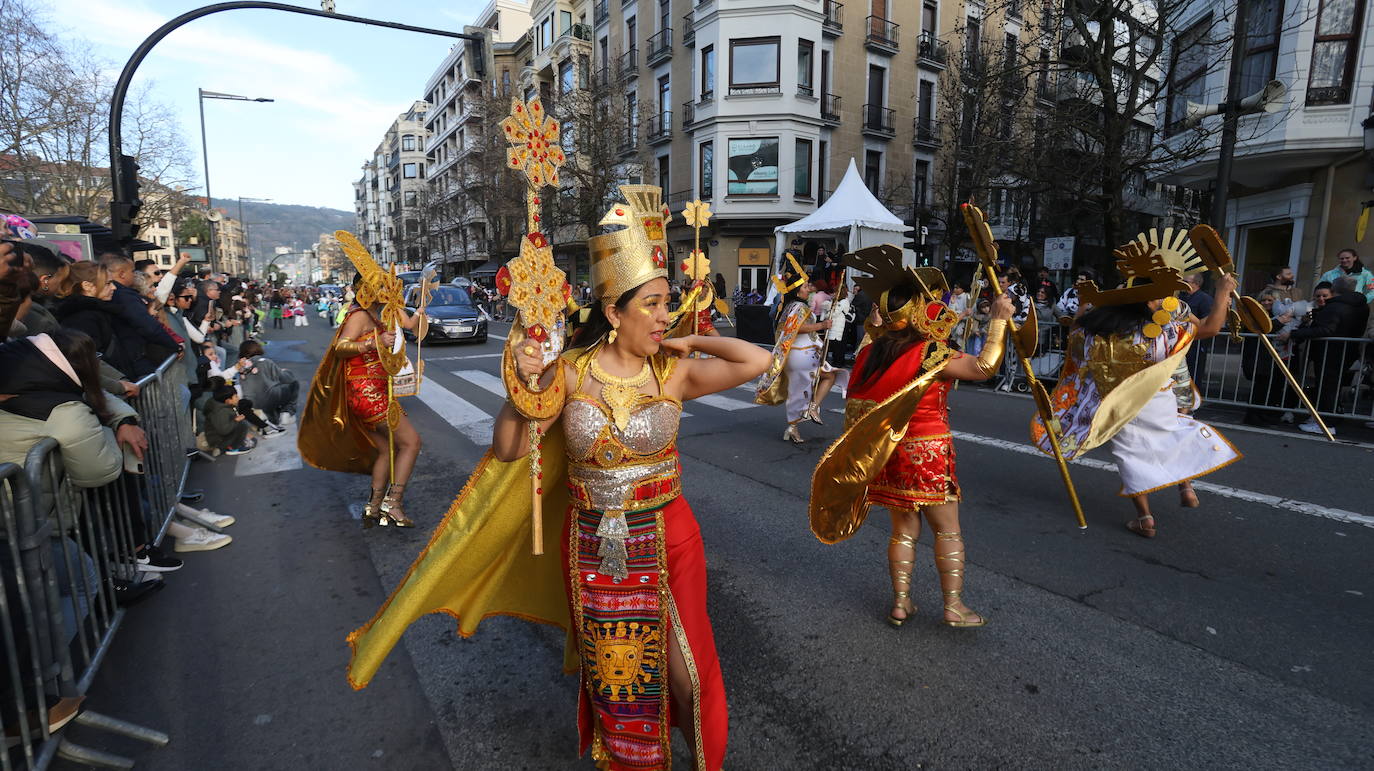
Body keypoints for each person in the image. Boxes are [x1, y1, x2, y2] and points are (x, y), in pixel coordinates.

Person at [345, 186, 770, 771]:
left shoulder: (673, 371)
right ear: (613, 312)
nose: (663, 315)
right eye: (651, 304)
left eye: (666, 302)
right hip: (593, 542)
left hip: (670, 535)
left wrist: (692, 338)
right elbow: (509, 448)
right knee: (616, 673)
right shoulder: (569, 372)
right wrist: (521, 387)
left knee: (687, 671)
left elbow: (756, 361)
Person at [810, 246, 1014, 632]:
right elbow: (984, 367)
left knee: (903, 530)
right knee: (947, 530)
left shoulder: (869, 354)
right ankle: (953, 606)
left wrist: (875, 324)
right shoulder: (930, 353)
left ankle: (901, 603)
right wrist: (999, 322)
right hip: (927, 452)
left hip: (886, 454)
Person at [1033, 239, 1241, 537]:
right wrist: (1222, 293)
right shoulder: (1164, 329)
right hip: (1158, 398)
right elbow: (1209, 329)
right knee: (1174, 433)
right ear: (1150, 299)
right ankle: (1185, 485)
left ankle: (1145, 518)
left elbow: (1075, 338)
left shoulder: (1095, 328)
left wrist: (1083, 305)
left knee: (1130, 455)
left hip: (1116, 403)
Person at [299, 270, 423, 528]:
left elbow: (410, 326)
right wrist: (374, 342)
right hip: (368, 394)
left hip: (373, 392)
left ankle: (373, 507)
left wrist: (415, 314)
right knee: (411, 443)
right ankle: (393, 503)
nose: (386, 291)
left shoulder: (375, 314)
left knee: (386, 450)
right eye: (381, 287)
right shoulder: (359, 316)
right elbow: (340, 347)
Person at [755, 255, 838, 443]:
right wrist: (822, 325)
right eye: (806, 287)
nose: (809, 289)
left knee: (827, 377)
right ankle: (796, 423)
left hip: (804, 354)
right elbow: (794, 328)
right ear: (798, 291)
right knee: (801, 390)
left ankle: (811, 409)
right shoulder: (798, 307)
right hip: (801, 356)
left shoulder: (793, 306)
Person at [1282, 274, 1370, 434]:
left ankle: (1325, 423)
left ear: (1334, 290)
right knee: (1332, 387)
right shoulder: (1361, 305)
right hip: (1346, 350)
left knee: (1327, 387)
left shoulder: (1336, 306)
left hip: (1330, 351)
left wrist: (1293, 334)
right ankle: (1326, 418)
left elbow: (1326, 329)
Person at [98, 253, 181, 377]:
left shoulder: (123, 295)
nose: (112, 288)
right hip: (134, 359)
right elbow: (146, 325)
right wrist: (175, 346)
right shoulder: (125, 296)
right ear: (122, 274)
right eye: (132, 271)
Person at [236, 339, 299, 425]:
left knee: (267, 392)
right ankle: (287, 412)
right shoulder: (265, 362)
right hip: (270, 397)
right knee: (294, 384)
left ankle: (270, 417)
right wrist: (286, 371)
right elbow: (285, 378)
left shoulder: (241, 367)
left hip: (252, 402)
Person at [203, 384, 256, 456]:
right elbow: (224, 430)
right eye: (236, 396)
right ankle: (233, 448)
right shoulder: (221, 411)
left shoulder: (223, 405)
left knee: (242, 424)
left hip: (218, 436)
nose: (238, 398)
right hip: (218, 439)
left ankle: (221, 448)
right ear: (228, 401)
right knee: (242, 424)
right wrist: (236, 420)